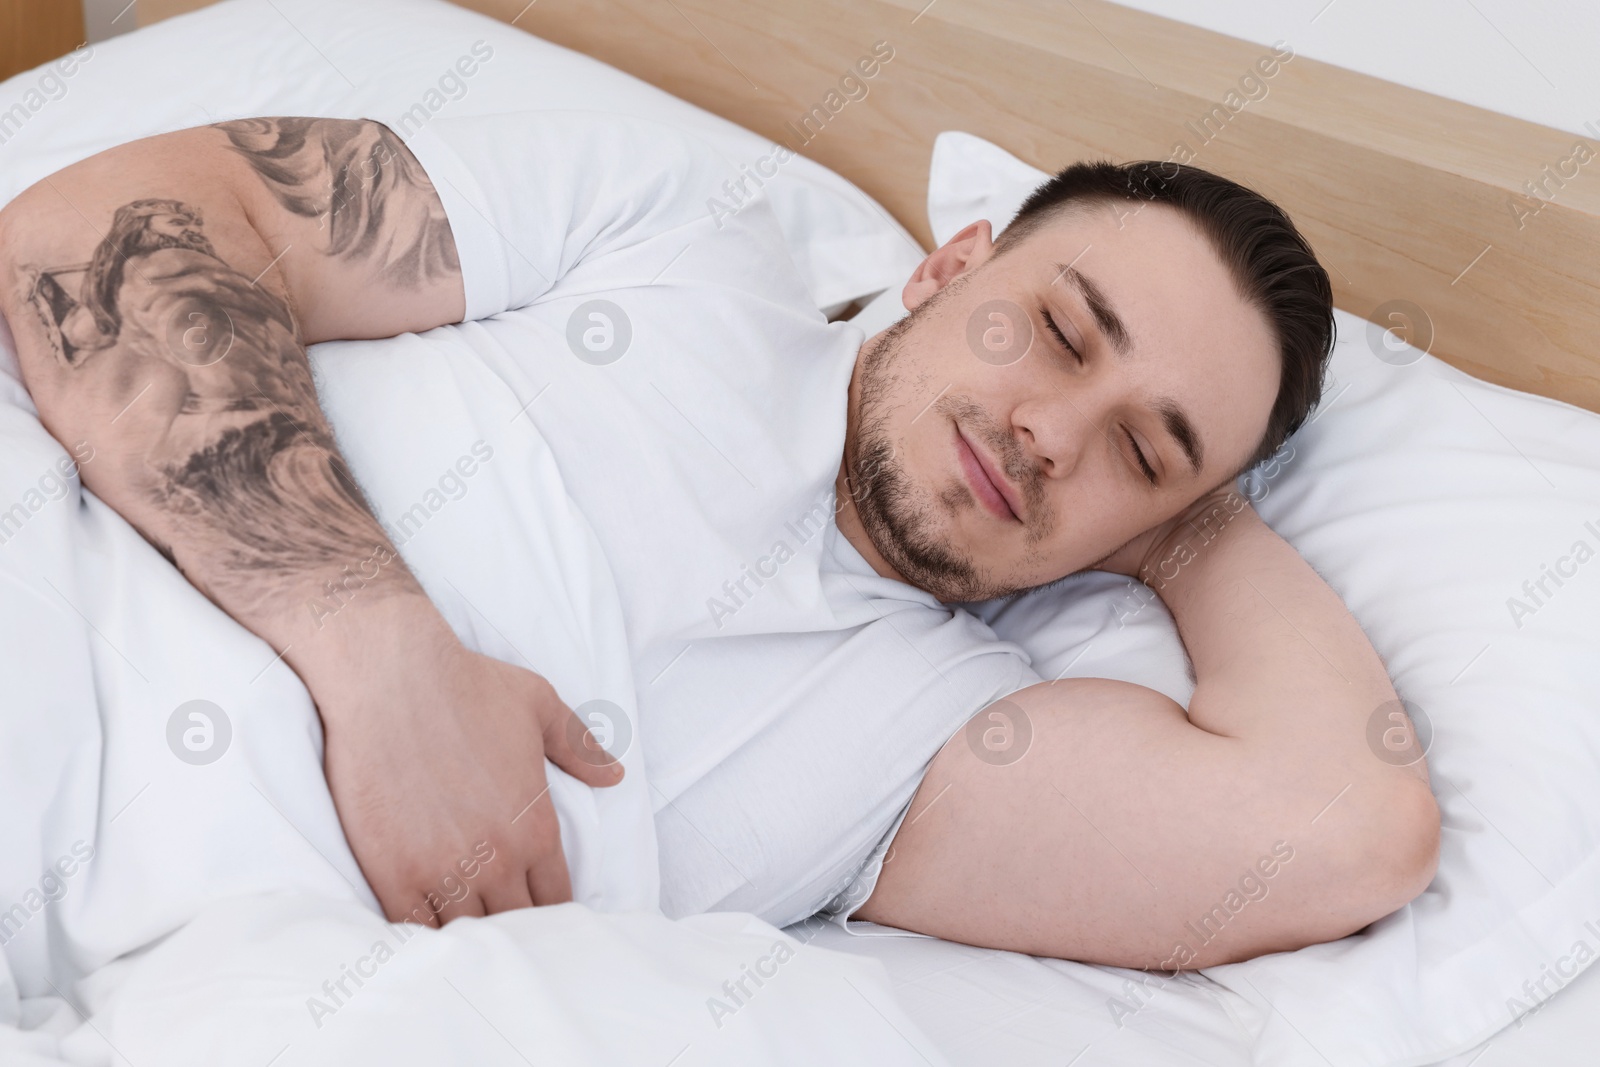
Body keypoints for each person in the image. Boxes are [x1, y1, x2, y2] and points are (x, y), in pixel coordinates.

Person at [0, 111, 1438, 971]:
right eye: (1060, 333)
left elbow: (1350, 836)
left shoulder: (935, 743)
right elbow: (90, 232)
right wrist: (378, 655)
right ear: (950, 268)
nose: (1055, 434)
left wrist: (1188, 521)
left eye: (1141, 448)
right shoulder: (672, 237)